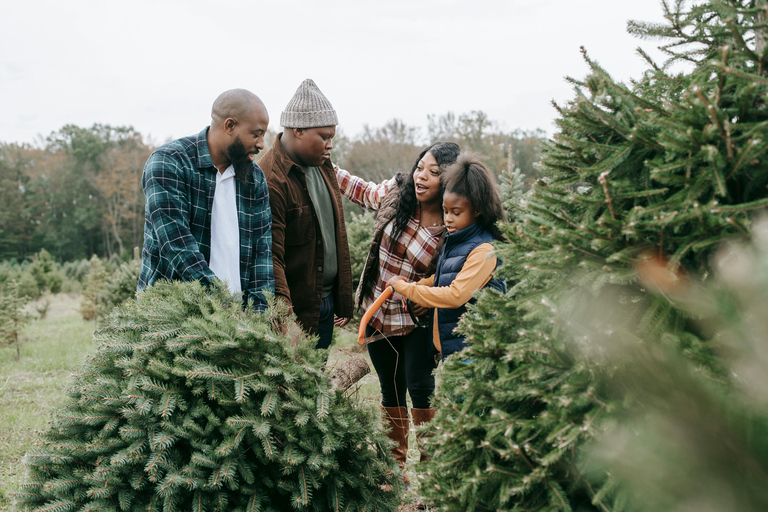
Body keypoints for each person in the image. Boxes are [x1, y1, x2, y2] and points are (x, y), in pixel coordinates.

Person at [335, 141, 460, 482]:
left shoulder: (454, 216)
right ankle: (394, 471)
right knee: (390, 391)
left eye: (433, 173)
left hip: (417, 320)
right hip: (378, 312)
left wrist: (432, 285)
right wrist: (326, 166)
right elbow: (362, 192)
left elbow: (462, 264)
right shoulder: (398, 191)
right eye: (421, 167)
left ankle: (434, 477)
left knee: (422, 390)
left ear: (447, 179)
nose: (422, 177)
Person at [137, 89, 274, 311]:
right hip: (173, 316)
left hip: (238, 324)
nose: (260, 144)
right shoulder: (169, 162)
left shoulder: (254, 178)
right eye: (256, 134)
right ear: (229, 126)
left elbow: (262, 253)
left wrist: (259, 317)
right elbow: (177, 244)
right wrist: (222, 304)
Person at [258, 79, 353, 349]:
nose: (329, 145)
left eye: (332, 137)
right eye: (324, 137)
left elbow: (335, 233)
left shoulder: (323, 166)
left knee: (317, 381)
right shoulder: (271, 178)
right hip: (295, 311)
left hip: (325, 302)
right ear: (298, 129)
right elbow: (270, 256)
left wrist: (342, 298)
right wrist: (285, 320)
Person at [386, 152, 507, 359]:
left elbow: (456, 295)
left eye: (456, 212)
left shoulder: (484, 250)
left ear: (477, 210)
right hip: (453, 351)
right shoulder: (458, 239)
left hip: (473, 353)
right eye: (445, 211)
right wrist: (426, 283)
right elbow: (452, 274)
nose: (448, 219)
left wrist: (406, 289)